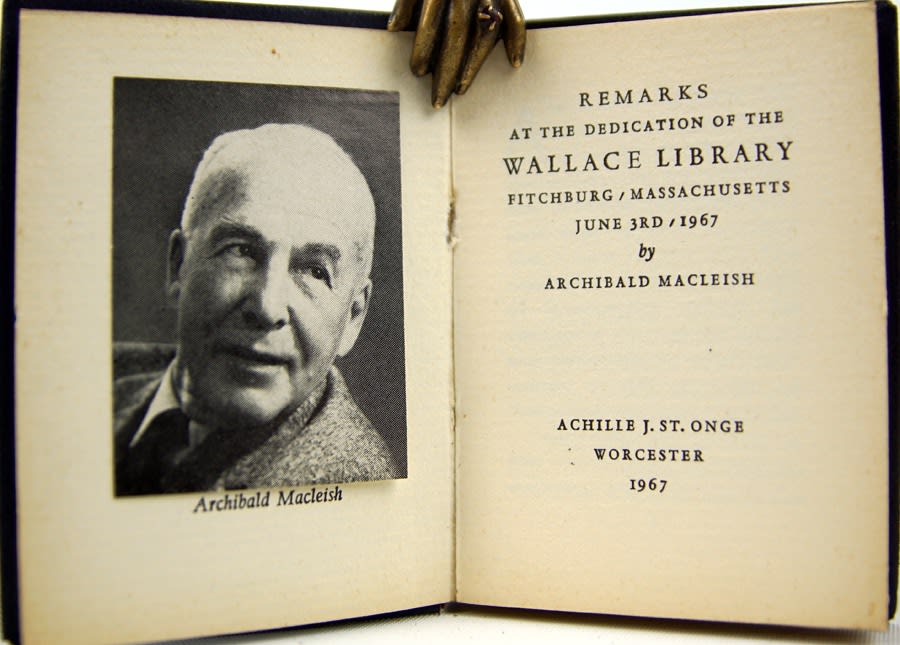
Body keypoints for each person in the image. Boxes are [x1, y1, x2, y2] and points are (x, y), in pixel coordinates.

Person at [114, 124, 399, 495]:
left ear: (353, 317)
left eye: (314, 272)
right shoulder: (101, 383)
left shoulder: (346, 480)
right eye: (242, 251)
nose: (266, 307)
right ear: (178, 265)